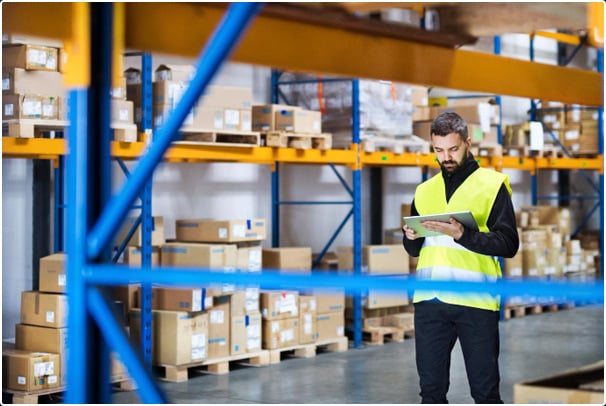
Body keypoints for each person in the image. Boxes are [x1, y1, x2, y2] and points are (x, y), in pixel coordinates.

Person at [402, 111, 519, 404]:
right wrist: (410, 237)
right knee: (430, 393)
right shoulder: (424, 190)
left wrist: (462, 235)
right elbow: (415, 250)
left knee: (485, 392)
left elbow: (509, 244)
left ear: (468, 143)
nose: (446, 157)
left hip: (475, 301)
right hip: (430, 302)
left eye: (453, 149)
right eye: (439, 150)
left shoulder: (492, 186)